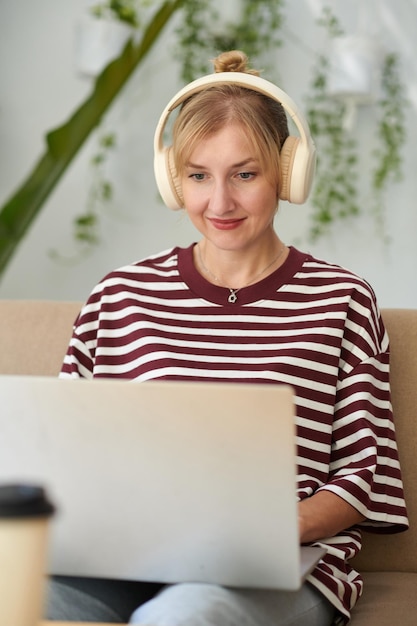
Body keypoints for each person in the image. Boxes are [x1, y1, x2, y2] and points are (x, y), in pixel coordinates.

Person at [47, 50, 408, 625]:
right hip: (130, 556)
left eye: (245, 174)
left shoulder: (344, 301)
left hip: (281, 562)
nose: (220, 203)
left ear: (288, 172)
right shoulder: (118, 295)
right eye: (198, 176)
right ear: (173, 179)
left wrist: (261, 532)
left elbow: (364, 478)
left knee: (183, 616)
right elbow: (64, 459)